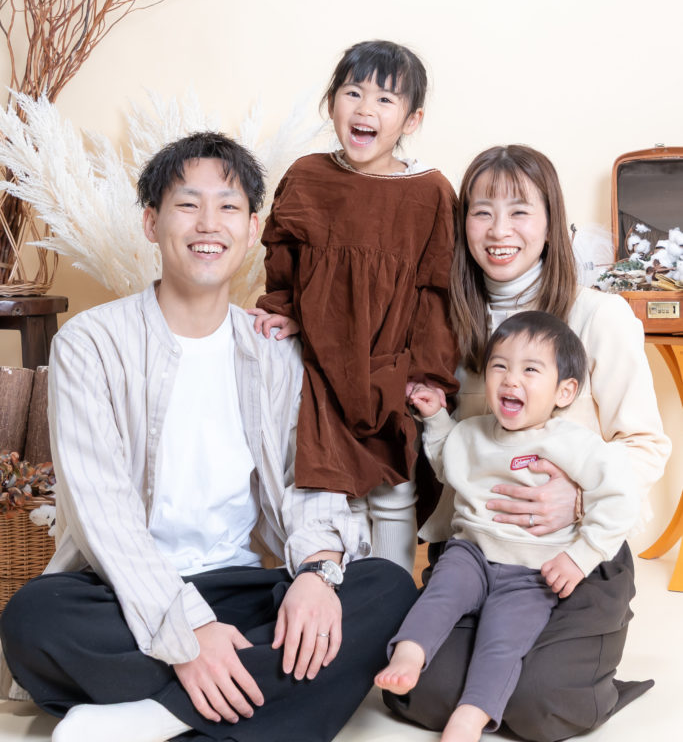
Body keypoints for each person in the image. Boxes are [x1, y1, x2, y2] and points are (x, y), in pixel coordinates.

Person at [0, 132, 417, 742]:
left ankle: (155, 718)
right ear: (151, 222)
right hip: (129, 595)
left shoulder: (277, 351)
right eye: (187, 204)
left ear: (252, 230)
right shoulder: (89, 345)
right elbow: (102, 512)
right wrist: (187, 632)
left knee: (387, 588)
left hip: (243, 587)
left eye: (228, 207)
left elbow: (307, 478)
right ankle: (253, 698)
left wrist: (317, 574)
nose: (208, 224)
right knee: (33, 619)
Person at [384, 143, 671, 742]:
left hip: (572, 557)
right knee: (423, 693)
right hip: (479, 551)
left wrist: (579, 501)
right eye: (482, 212)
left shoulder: (599, 316)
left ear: (550, 222)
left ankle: (591, 676)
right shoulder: (447, 321)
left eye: (519, 211)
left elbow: (647, 445)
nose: (499, 231)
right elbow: (452, 446)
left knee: (540, 705)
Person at [377, 311, 640, 742]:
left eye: (530, 370)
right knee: (441, 595)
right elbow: (447, 463)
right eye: (500, 366)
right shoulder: (473, 432)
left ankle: (472, 715)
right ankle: (409, 654)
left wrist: (581, 555)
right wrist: (436, 419)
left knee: (503, 640)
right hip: (472, 552)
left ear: (564, 391)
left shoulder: (574, 443)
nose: (510, 379)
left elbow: (620, 498)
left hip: (532, 572)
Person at [249, 40, 459, 572]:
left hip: (390, 366)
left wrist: (428, 373)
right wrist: (285, 307)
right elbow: (282, 255)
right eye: (353, 93)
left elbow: (437, 291)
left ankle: (389, 598)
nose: (366, 108)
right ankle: (330, 593)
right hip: (320, 364)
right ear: (331, 103)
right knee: (325, 491)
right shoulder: (308, 176)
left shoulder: (430, 192)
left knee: (392, 489)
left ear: (411, 120)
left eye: (385, 100)